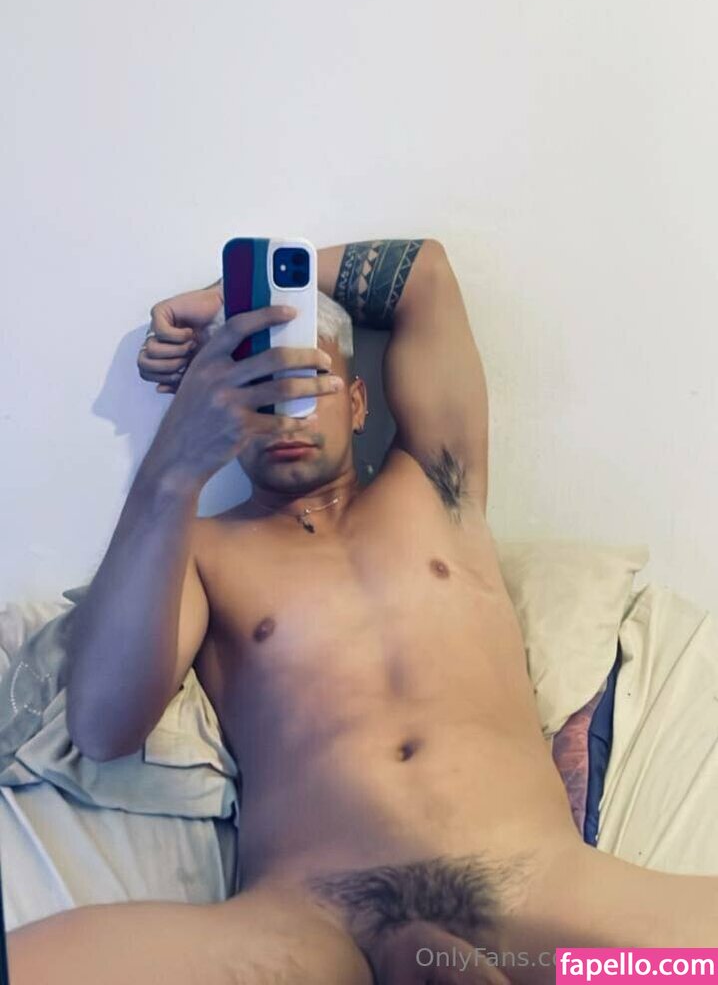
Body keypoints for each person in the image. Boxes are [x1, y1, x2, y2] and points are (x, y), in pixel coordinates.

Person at [8, 239, 718, 985]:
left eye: (305, 380)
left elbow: (425, 274)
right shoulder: (202, 551)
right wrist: (174, 464)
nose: (282, 415)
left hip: (539, 913)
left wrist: (228, 296)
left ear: (355, 402)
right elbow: (102, 725)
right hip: (310, 933)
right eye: (257, 390)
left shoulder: (437, 487)